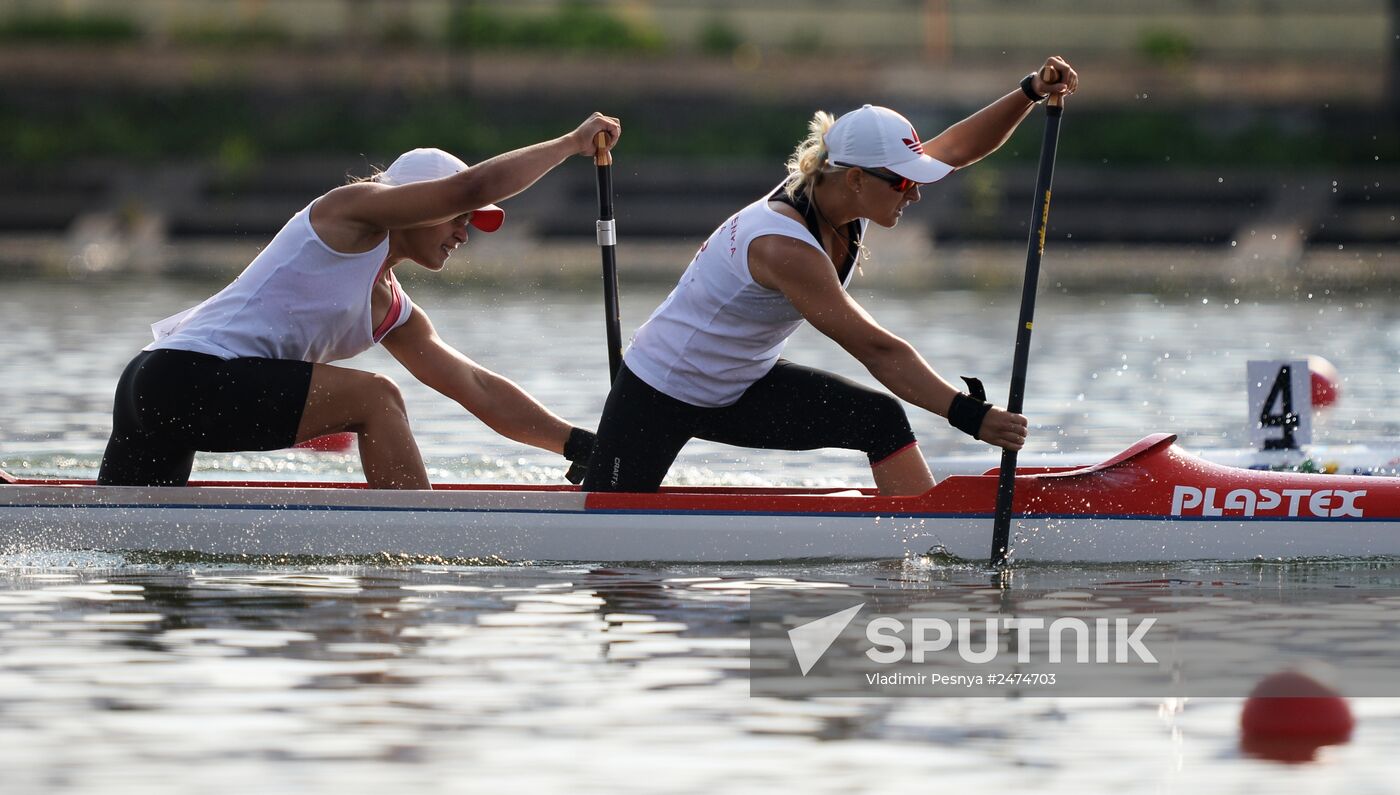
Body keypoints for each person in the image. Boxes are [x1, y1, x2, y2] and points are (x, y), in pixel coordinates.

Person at [584, 59, 1078, 496]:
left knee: (880, 419)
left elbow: (956, 149)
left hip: (741, 383)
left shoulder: (848, 190)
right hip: (661, 391)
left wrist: (1029, 91)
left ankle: (925, 541)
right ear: (857, 178)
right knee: (606, 531)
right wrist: (971, 415)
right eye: (905, 183)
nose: (916, 194)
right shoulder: (782, 246)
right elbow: (877, 349)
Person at [98, 113, 621, 489]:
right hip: (184, 378)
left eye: (470, 222)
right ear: (416, 201)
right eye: (459, 216)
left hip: (151, 387)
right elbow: (475, 184)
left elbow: (475, 386)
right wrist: (572, 143)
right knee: (377, 397)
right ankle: (417, 547)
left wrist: (577, 444)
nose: (465, 232)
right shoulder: (349, 214)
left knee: (130, 550)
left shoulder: (389, 308)